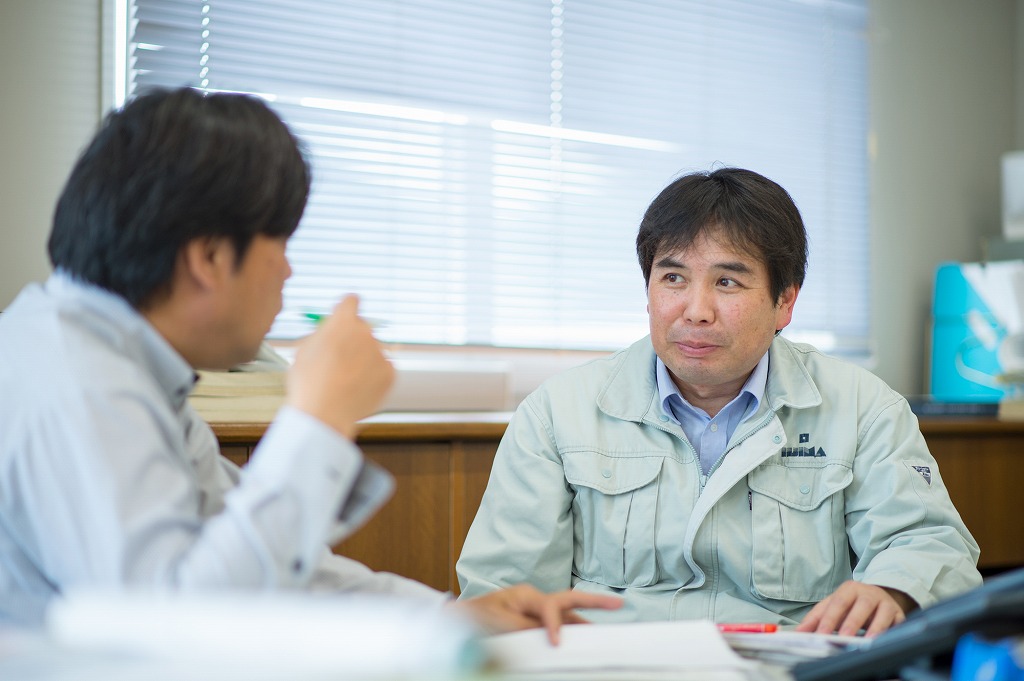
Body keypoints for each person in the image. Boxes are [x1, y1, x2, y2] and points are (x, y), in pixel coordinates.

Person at [0, 87, 620, 640]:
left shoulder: (117, 365)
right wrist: (319, 416)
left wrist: (443, 616)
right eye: (282, 245)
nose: (291, 273)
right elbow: (173, 628)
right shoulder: (77, 383)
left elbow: (265, 564)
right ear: (210, 258)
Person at [456, 167, 982, 637]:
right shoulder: (558, 411)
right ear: (648, 292)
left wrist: (891, 591)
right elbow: (502, 592)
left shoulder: (863, 407)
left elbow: (933, 546)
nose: (696, 310)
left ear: (785, 301)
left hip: (786, 667)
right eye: (673, 278)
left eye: (727, 281)